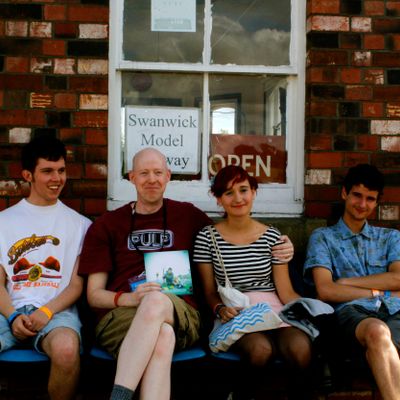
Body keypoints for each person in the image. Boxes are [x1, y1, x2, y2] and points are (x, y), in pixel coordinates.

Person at [78, 148, 294, 400]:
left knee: (157, 299)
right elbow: (94, 295)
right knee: (163, 334)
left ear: (168, 176)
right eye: (144, 173)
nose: (152, 179)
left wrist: (281, 245)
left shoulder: (187, 215)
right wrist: (130, 299)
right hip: (119, 317)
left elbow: (230, 234)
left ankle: (119, 395)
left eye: (158, 172)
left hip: (183, 314)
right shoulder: (107, 224)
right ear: (131, 177)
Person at [193, 165, 312, 399]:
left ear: (254, 192)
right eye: (228, 193)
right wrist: (219, 308)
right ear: (218, 199)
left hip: (276, 312)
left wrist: (311, 309)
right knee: (260, 350)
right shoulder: (207, 237)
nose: (238, 198)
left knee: (300, 349)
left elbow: (285, 291)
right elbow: (208, 292)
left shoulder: (273, 237)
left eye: (244, 190)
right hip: (237, 314)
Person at [0, 136, 92, 400]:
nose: (57, 179)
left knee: (66, 349)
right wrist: (12, 316)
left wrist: (46, 311)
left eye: (61, 170)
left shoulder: (80, 225)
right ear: (27, 175)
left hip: (57, 313)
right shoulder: (3, 222)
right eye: (47, 171)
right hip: (9, 310)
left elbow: (77, 284)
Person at [304, 164, 400, 400]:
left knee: (386, 350)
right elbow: (325, 290)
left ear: (376, 202)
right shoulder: (323, 238)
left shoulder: (390, 237)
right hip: (350, 314)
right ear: (344, 193)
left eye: (370, 199)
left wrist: (346, 283)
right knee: (378, 333)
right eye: (357, 195)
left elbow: (398, 278)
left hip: (396, 311)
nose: (362, 204)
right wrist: (382, 291)